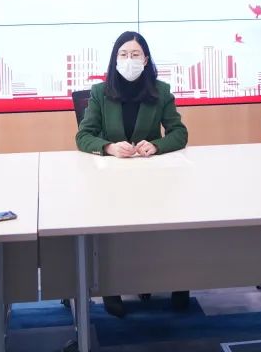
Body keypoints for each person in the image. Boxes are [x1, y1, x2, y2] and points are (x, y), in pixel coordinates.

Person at [75, 31, 189, 317]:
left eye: (135, 54)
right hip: (111, 180)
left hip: (152, 177)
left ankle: (177, 280)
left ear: (146, 59)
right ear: (115, 60)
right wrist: (109, 147)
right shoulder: (100, 93)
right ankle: (112, 287)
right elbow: (83, 136)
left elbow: (179, 133)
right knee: (112, 228)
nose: (129, 60)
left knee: (165, 224)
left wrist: (157, 145)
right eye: (123, 54)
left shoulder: (161, 91)